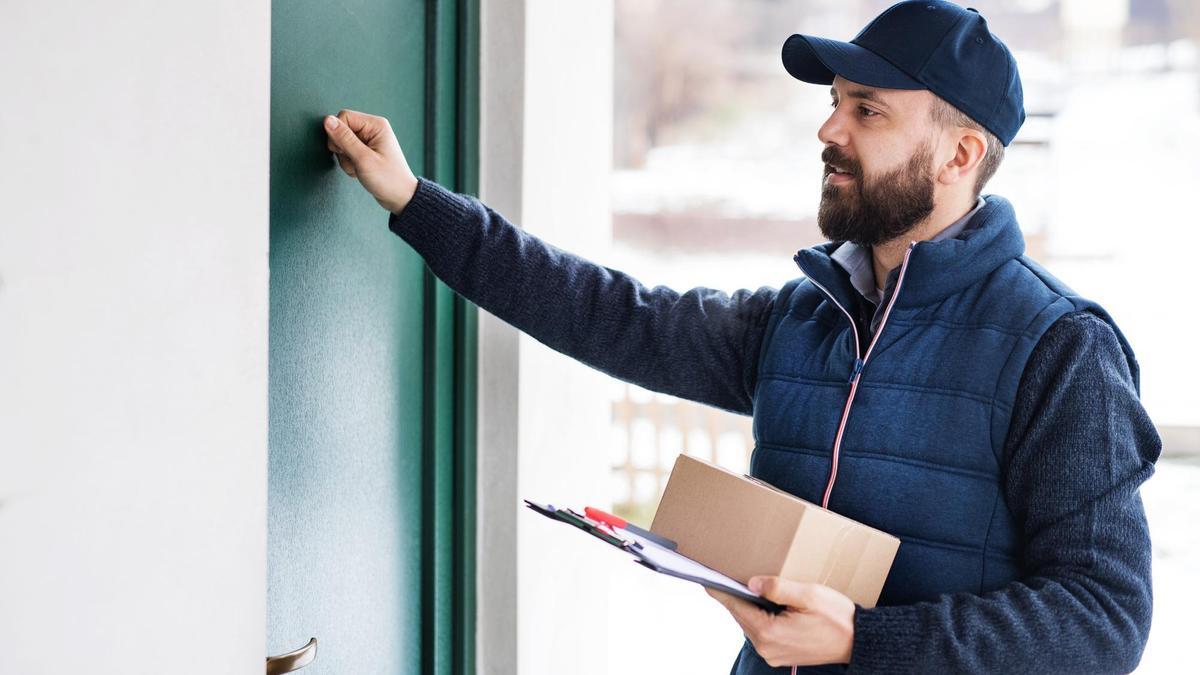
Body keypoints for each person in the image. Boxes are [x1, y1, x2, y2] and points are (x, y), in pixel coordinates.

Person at [322, 1, 1160, 672]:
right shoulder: (801, 317)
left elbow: (1104, 617)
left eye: (866, 110)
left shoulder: (1060, 346)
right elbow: (607, 312)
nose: (829, 131)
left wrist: (865, 642)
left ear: (960, 153)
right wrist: (413, 199)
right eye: (834, 104)